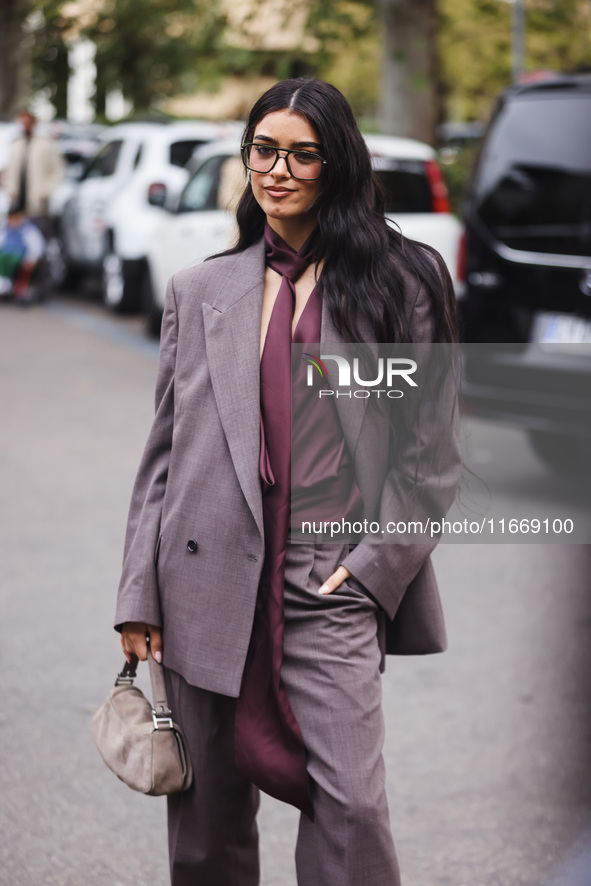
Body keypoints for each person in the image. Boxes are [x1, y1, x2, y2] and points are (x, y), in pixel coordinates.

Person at [114, 78, 461, 886]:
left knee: (352, 812)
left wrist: (371, 570)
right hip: (199, 577)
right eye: (262, 151)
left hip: (328, 580)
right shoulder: (201, 291)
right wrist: (138, 595)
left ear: (336, 163)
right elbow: (163, 454)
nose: (277, 170)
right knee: (206, 826)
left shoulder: (401, 281)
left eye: (302, 154)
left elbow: (429, 457)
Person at [4, 109, 64, 234]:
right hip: (17, 201)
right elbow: (9, 171)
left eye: (27, 122)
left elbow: (58, 170)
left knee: (37, 237)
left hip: (37, 202)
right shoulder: (15, 144)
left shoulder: (46, 144)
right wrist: (9, 189)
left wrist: (46, 190)